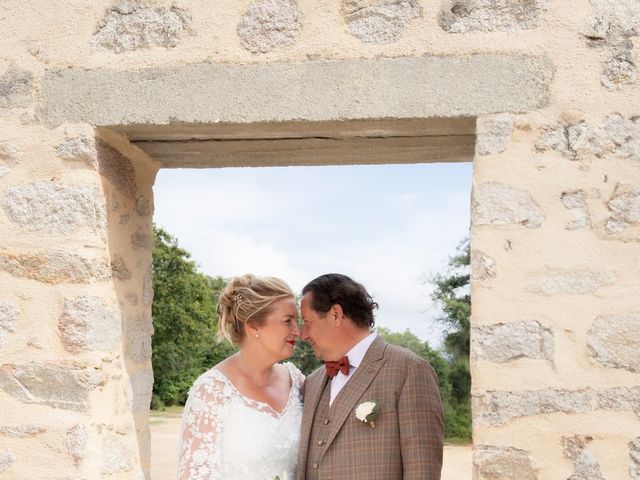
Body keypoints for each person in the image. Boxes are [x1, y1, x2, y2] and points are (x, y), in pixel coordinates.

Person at [297, 273, 444, 480]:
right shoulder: (312, 382)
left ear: (336, 314)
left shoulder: (409, 370)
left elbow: (422, 471)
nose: (303, 334)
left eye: (307, 322)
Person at [177, 274, 304, 480]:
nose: (297, 331)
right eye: (287, 321)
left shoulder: (296, 381)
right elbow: (196, 474)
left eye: (296, 321)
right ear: (254, 326)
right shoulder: (212, 390)